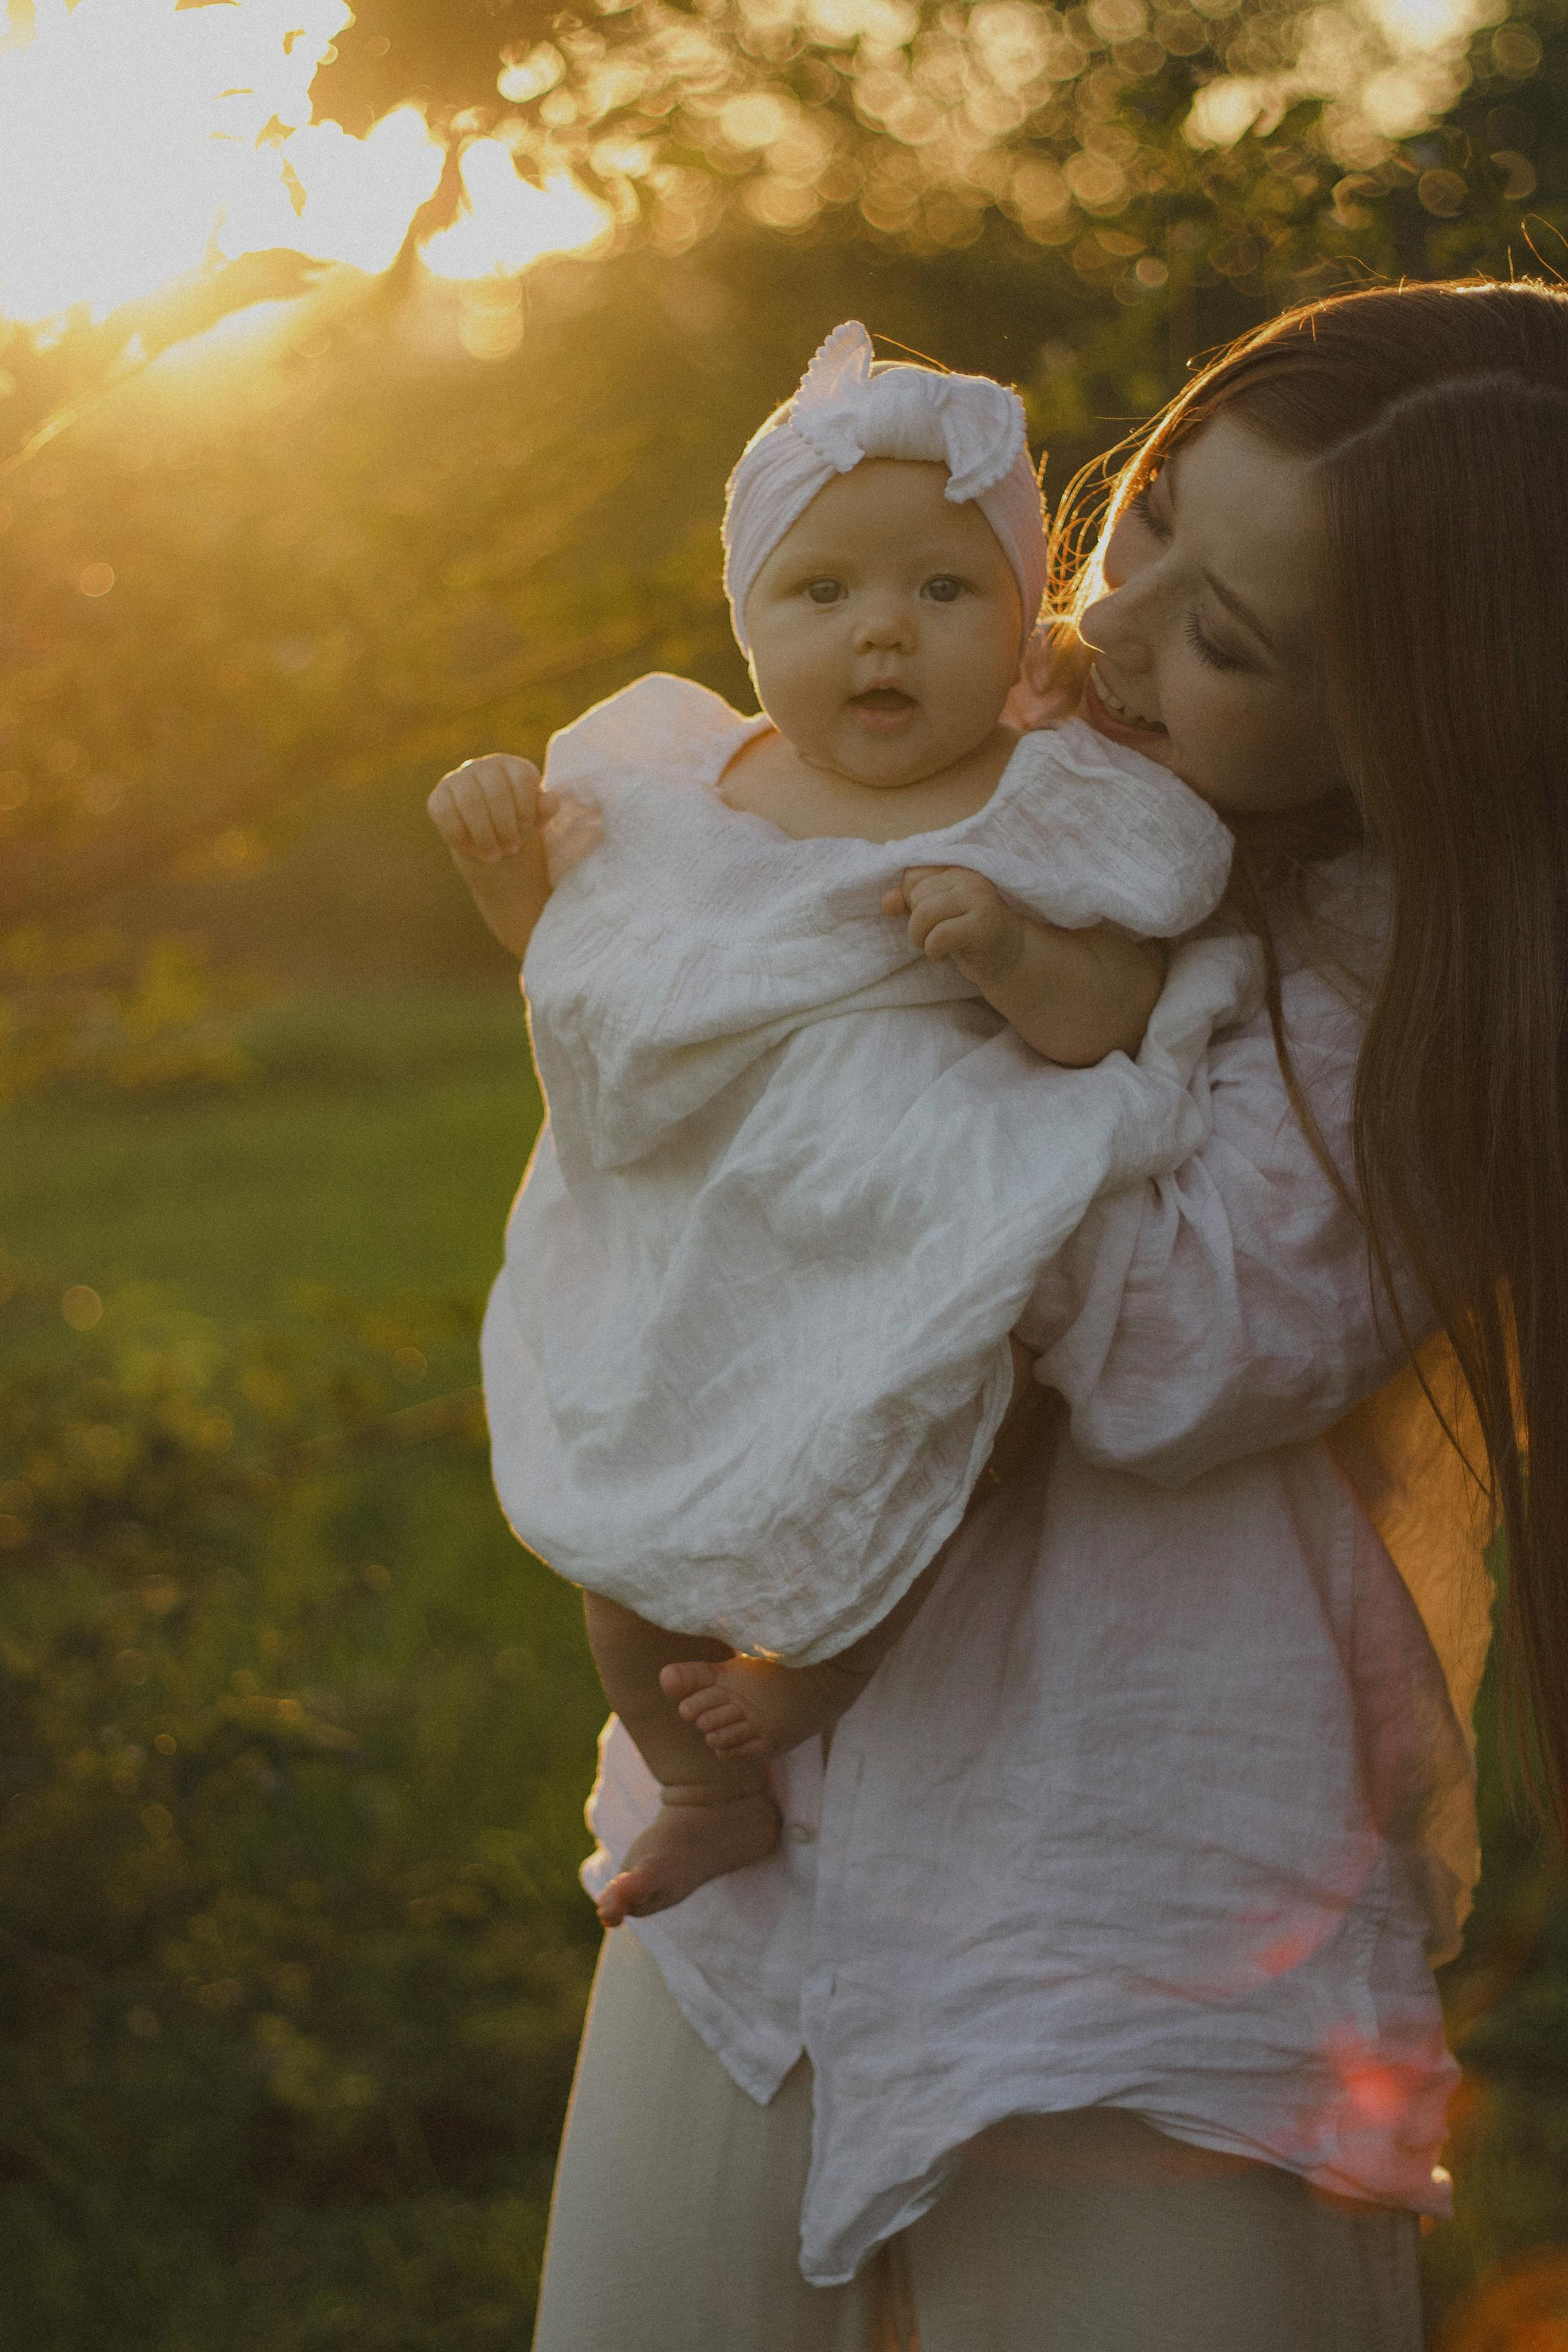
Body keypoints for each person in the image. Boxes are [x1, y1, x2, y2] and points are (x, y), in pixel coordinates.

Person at [529, 280, 1567, 2348]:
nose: (1112, 622)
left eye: (1228, 638)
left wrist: (840, 1084)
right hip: (767, 1842)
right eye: (1155, 515)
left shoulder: (1397, 1010)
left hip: (1131, 1908)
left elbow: (1168, 1350)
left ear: (1429, 723)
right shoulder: (993, 774)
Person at [429, 320, 1254, 1927]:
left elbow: (1104, 1017)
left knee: (933, 1411)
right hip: (712, 1224)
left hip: (905, 1190)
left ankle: (823, 1666)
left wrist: (1011, 947)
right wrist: (509, 877)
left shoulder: (1046, 798)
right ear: (749, 620)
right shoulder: (682, 786)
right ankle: (705, 1790)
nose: (884, 636)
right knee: (621, 1523)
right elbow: (610, 992)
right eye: (825, 595)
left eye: (943, 593)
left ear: (1024, 618)